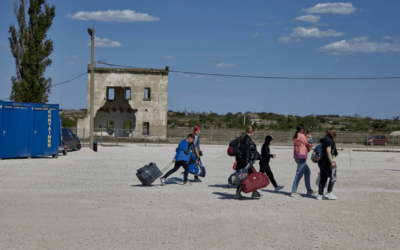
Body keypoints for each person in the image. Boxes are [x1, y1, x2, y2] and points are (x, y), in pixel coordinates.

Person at [234, 126, 262, 199]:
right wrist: (247, 164)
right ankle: (238, 193)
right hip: (245, 162)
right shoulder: (247, 139)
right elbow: (247, 152)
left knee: (249, 176)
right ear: (252, 132)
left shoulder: (244, 138)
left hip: (243, 161)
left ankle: (254, 192)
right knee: (245, 177)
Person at [290, 124, 316, 197]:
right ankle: (293, 191)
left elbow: (302, 142)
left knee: (307, 172)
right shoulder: (302, 136)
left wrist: (306, 137)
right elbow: (309, 145)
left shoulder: (296, 136)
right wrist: (310, 139)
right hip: (302, 156)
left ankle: (309, 190)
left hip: (296, 156)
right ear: (302, 130)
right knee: (298, 174)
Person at [317, 129, 339, 200]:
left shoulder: (324, 140)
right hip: (327, 162)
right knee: (333, 177)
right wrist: (332, 162)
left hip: (321, 162)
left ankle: (320, 195)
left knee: (323, 178)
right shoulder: (329, 142)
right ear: (333, 135)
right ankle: (329, 192)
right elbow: (328, 152)